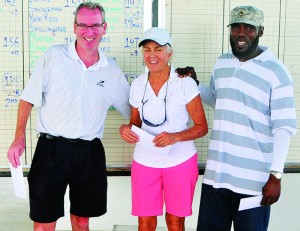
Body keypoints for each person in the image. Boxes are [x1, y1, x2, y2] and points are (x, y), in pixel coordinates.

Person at [7, 1, 131, 230]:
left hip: (89, 152)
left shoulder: (111, 69)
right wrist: (18, 137)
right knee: (44, 223)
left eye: (95, 25)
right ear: (74, 27)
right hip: (51, 151)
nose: (89, 32)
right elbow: (28, 98)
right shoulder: (54, 56)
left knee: (82, 223)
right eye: (83, 25)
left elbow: (134, 109)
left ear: (105, 27)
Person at [178, 5, 297, 231]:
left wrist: (276, 175)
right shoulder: (222, 62)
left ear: (260, 31)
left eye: (249, 28)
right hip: (217, 175)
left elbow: (284, 127)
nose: (241, 32)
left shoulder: (276, 71)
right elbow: (217, 98)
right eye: (236, 27)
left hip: (253, 180)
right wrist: (193, 84)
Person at [119, 27, 208, 231]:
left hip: (180, 161)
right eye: (147, 50)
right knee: (145, 222)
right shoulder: (137, 85)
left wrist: (175, 137)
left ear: (169, 53)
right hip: (145, 162)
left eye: (158, 49)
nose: (152, 55)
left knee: (175, 222)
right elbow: (135, 123)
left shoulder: (185, 83)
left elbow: (202, 127)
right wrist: (125, 129)